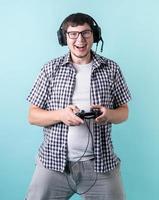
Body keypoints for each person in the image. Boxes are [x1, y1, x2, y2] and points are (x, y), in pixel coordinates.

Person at [25, 13, 131, 200]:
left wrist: (109, 114)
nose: (80, 40)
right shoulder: (50, 69)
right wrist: (61, 115)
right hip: (53, 163)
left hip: (101, 164)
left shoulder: (111, 68)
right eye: (73, 34)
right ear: (64, 37)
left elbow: (124, 112)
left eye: (85, 33)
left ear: (95, 35)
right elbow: (32, 116)